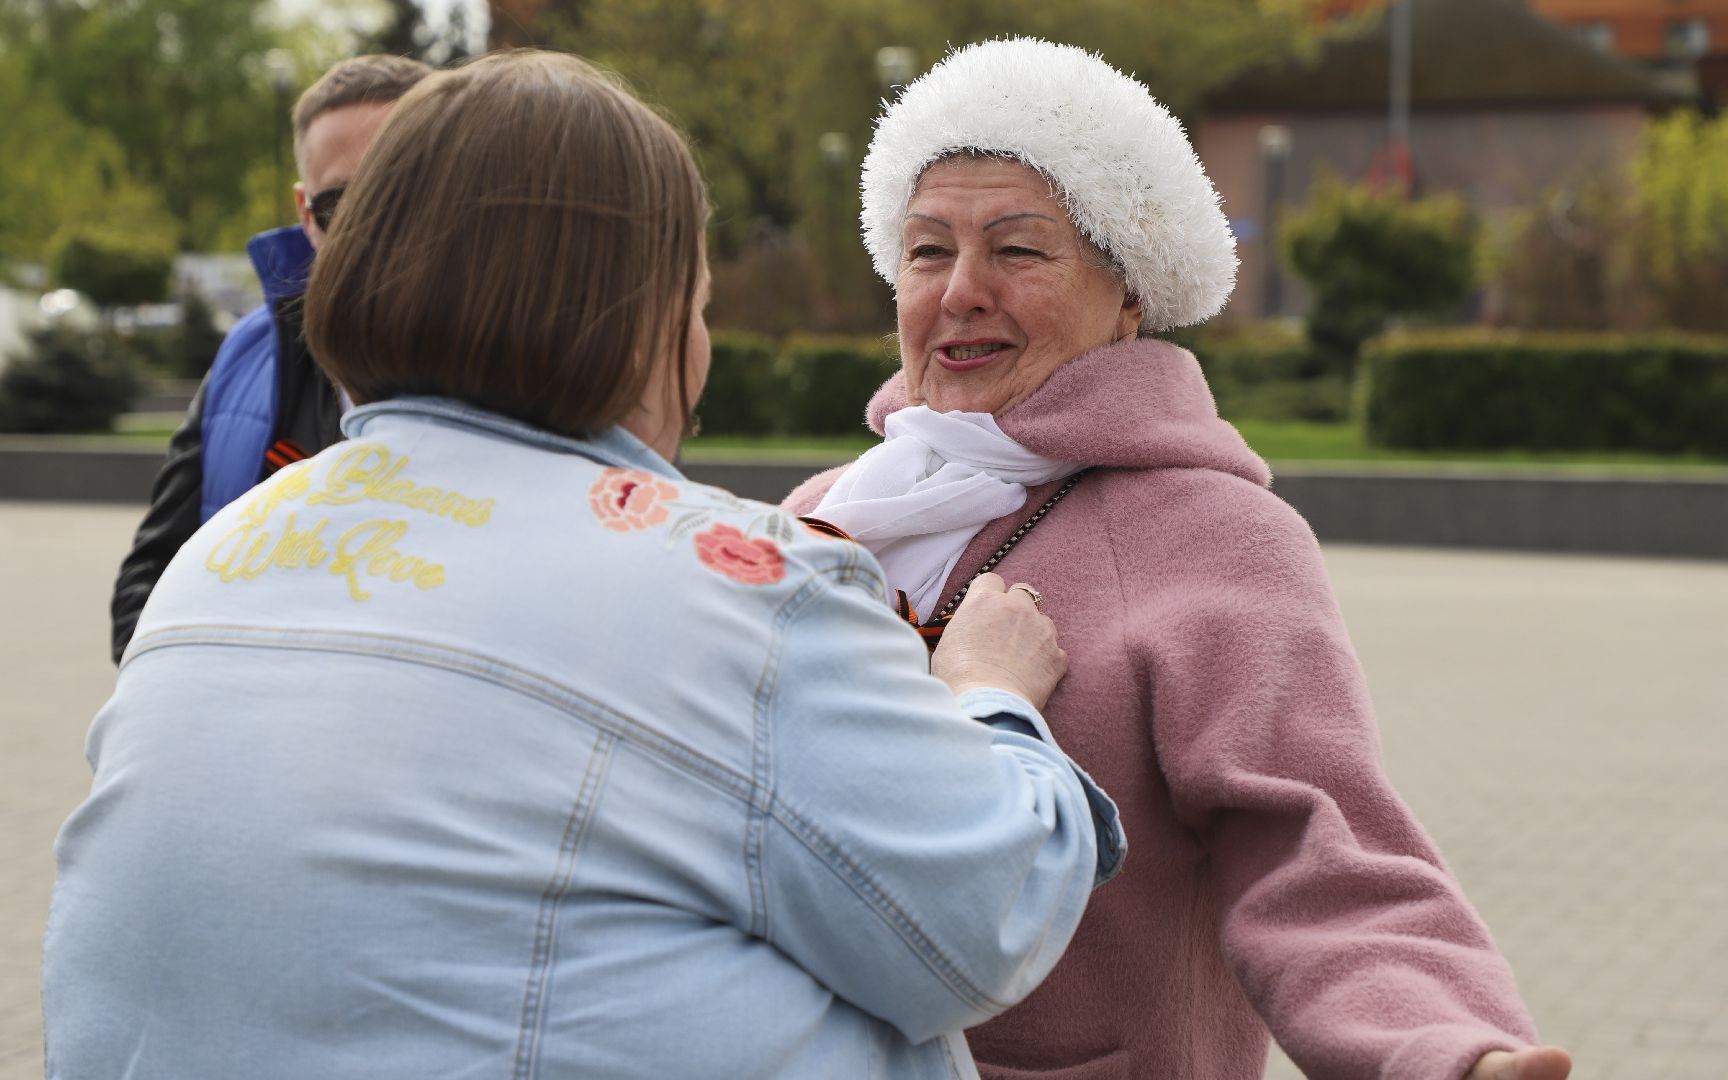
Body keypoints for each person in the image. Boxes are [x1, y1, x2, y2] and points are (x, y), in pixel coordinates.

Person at [43, 50, 1125, 1080]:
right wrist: (988, 697)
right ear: (647, 319)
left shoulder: (219, 554)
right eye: (696, 303)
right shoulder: (743, 591)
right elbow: (988, 916)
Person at [785, 38, 1572, 1080]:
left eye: (1018, 251)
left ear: (1130, 292)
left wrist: (1442, 1049)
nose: (962, 290)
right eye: (928, 252)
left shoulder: (1217, 537)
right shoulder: (818, 518)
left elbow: (1319, 849)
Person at [107, 54, 433, 664]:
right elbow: (149, 583)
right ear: (306, 214)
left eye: (404, 192)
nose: (377, 229)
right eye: (343, 204)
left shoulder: (527, 363)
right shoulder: (248, 353)